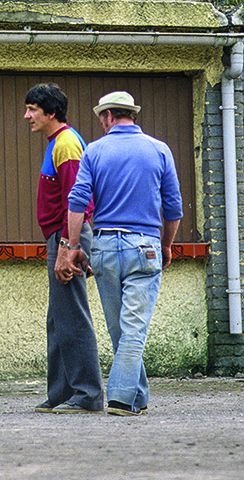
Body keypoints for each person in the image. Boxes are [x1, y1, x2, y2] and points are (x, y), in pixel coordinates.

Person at [55, 90, 181, 416]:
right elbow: (174, 208)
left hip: (105, 246)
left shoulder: (94, 151)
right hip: (145, 246)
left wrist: (71, 246)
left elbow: (77, 202)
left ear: (109, 116)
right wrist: (166, 245)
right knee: (134, 330)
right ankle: (122, 399)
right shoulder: (159, 150)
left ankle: (136, 397)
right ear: (130, 114)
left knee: (120, 330)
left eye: (101, 118)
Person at [24, 83, 104, 413]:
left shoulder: (67, 143)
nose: (26, 115)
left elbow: (78, 200)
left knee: (72, 315)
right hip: (61, 235)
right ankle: (61, 393)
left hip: (67, 235)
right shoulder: (57, 142)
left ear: (51, 112)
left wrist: (66, 247)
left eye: (32, 109)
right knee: (58, 318)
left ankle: (87, 395)